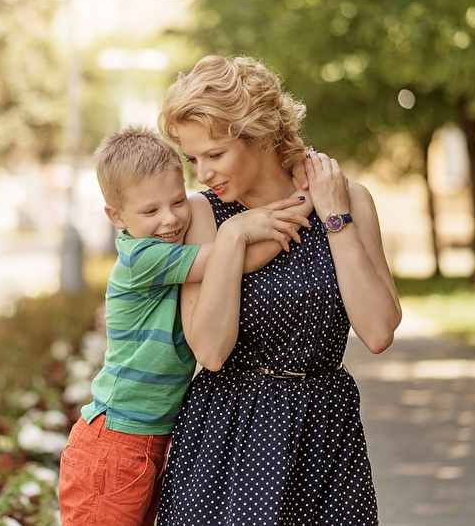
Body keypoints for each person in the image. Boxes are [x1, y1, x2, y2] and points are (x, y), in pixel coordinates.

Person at [155, 55, 402, 525]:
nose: (202, 174)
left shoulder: (349, 199)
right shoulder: (202, 215)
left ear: (262, 135)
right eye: (193, 159)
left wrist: (334, 217)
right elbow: (210, 352)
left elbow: (377, 331)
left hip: (326, 432)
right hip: (230, 437)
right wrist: (233, 237)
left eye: (215, 154)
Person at [57, 125, 311, 526]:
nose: (171, 219)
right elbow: (237, 260)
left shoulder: (169, 249)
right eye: (150, 211)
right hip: (115, 444)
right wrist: (305, 199)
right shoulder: (143, 258)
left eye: (178, 201)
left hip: (148, 442)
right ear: (116, 216)